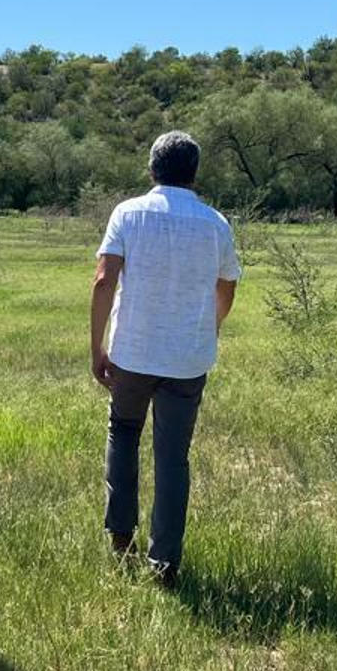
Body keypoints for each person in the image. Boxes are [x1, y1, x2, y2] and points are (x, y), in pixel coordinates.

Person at [89, 131, 239, 588]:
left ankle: (121, 537)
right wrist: (207, 329)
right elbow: (227, 286)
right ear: (194, 172)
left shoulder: (128, 214)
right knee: (173, 456)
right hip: (187, 359)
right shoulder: (215, 223)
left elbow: (103, 281)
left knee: (124, 433)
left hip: (133, 351)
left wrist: (97, 348)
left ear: (152, 168)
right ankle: (165, 562)